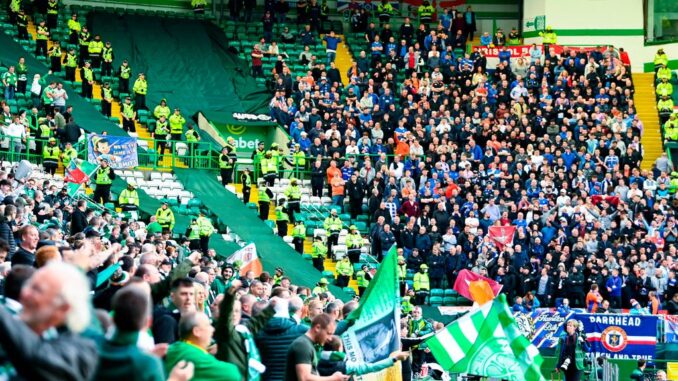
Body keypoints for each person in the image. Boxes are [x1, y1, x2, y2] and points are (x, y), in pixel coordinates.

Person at [0, 262, 98, 381]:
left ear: (63, 307)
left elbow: (38, 356)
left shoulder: (81, 352)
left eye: (37, 290)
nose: (24, 293)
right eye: (28, 286)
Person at [164, 311, 240, 381]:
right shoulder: (193, 355)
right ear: (196, 331)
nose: (212, 329)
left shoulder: (175, 349)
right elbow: (233, 373)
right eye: (208, 325)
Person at [285, 314, 348, 381]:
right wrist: (333, 378)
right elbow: (304, 378)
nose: (330, 339)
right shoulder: (303, 345)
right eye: (329, 333)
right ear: (317, 328)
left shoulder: (307, 344)